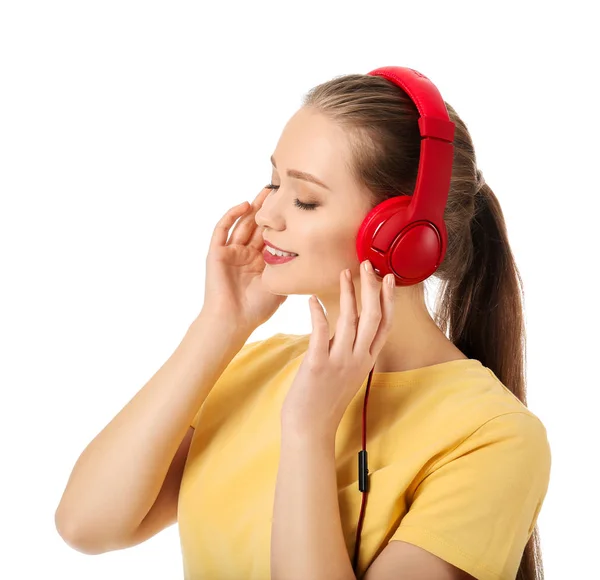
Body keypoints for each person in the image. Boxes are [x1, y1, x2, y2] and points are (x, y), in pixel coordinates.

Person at [55, 72, 551, 580]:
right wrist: (220, 324)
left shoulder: (493, 436)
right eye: (273, 182)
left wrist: (309, 433)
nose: (266, 214)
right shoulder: (255, 366)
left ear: (401, 235)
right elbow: (86, 525)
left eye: (305, 199)